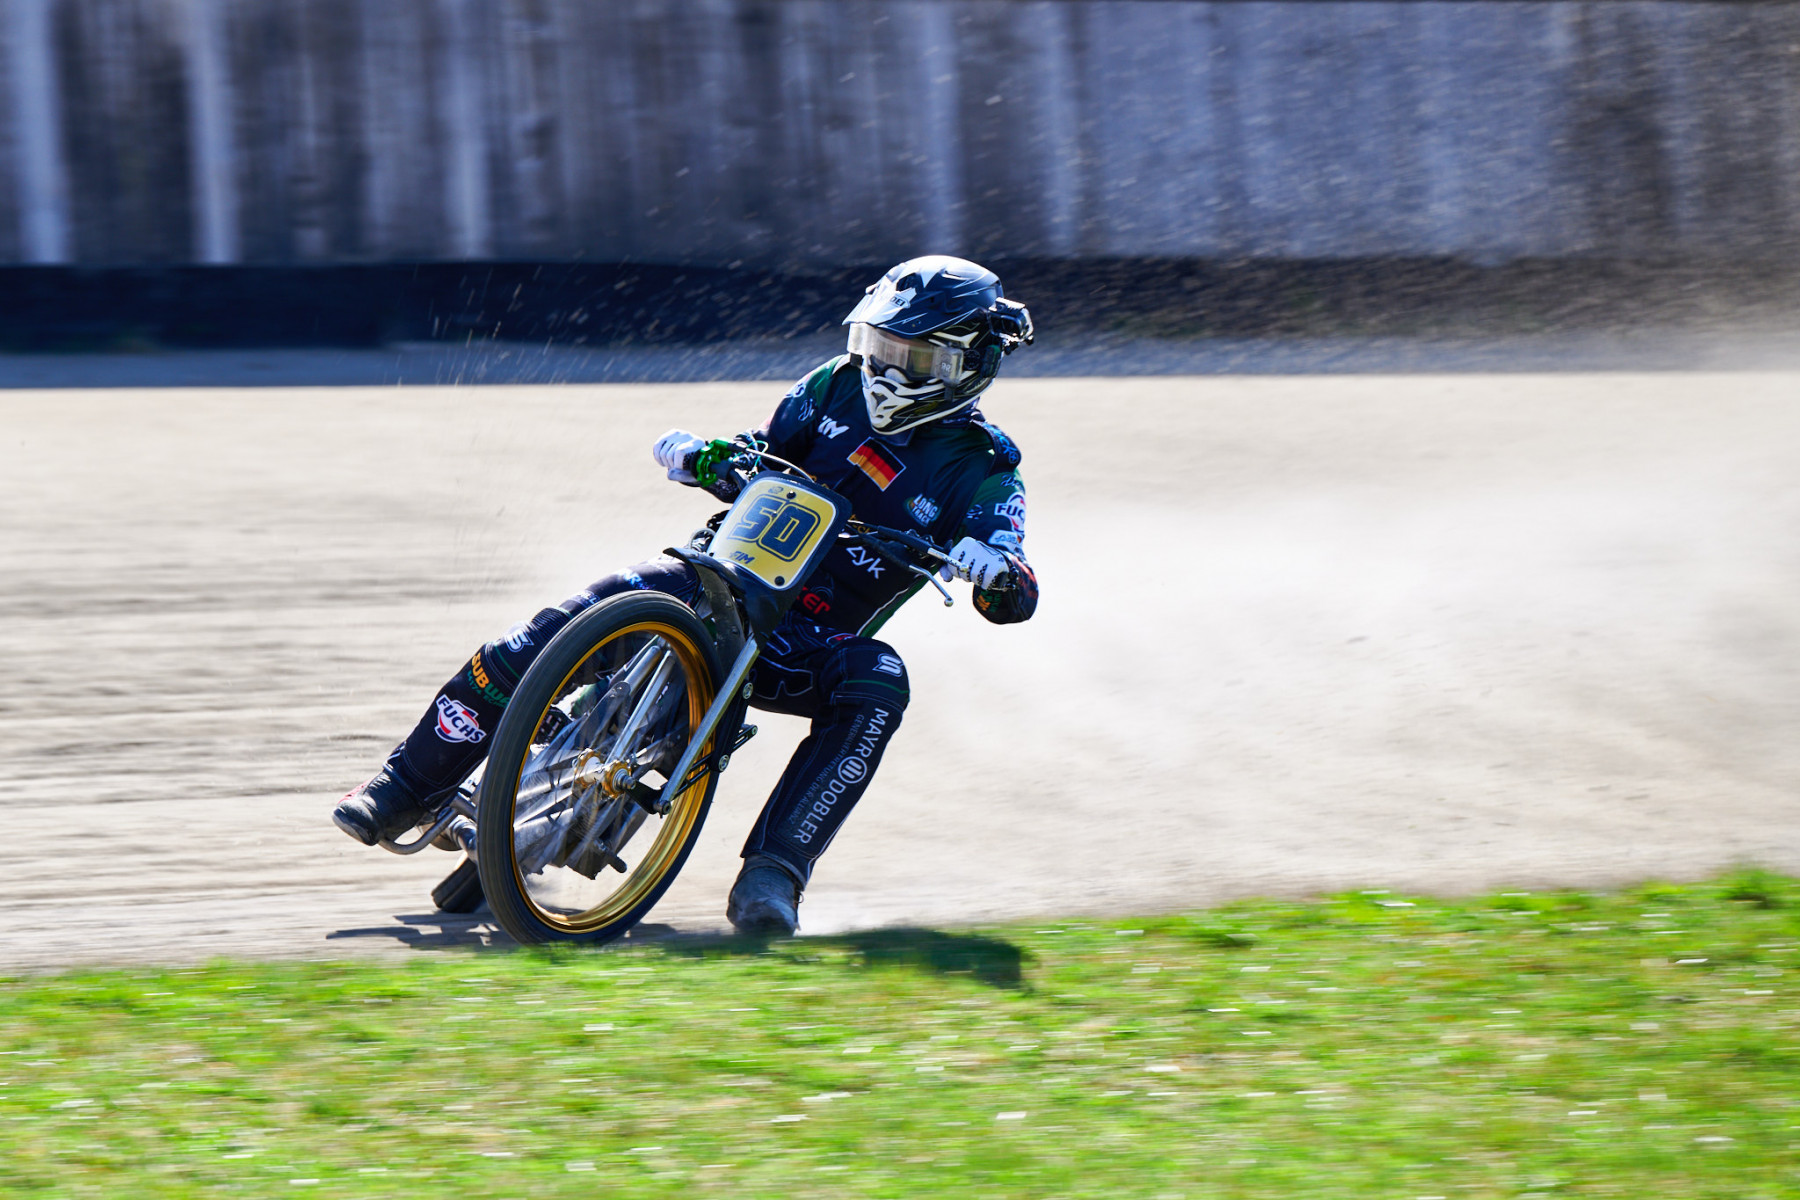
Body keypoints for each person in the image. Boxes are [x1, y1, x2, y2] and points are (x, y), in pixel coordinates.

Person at [332, 255, 1039, 935]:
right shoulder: (832, 384)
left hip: (806, 643)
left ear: (968, 363)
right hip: (710, 577)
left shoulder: (988, 469)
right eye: (878, 346)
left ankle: (774, 874)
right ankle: (401, 788)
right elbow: (758, 451)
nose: (885, 368)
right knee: (548, 630)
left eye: (911, 356)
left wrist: (998, 572)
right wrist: (705, 456)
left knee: (880, 679)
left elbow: (1016, 592)